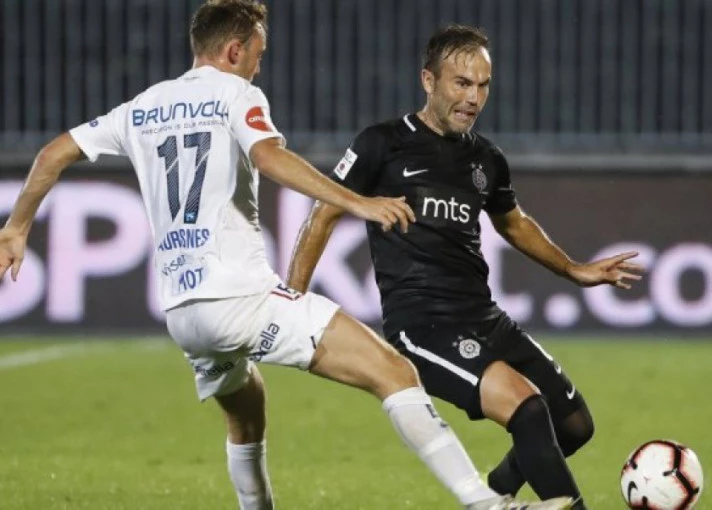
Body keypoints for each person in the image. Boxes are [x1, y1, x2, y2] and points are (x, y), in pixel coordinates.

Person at [0, 3, 574, 510]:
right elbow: (271, 157)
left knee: (246, 411)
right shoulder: (237, 94)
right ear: (234, 50)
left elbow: (53, 153)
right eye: (257, 55)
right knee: (394, 372)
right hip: (240, 296)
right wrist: (359, 202)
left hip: (182, 313)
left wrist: (18, 226)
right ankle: (483, 501)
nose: (259, 66)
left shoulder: (144, 106)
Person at [288, 24, 645, 510]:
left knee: (574, 424)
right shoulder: (382, 144)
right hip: (423, 326)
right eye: (461, 83)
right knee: (527, 408)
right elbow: (323, 214)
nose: (473, 98)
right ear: (428, 80)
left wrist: (573, 269)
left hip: (484, 316)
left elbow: (513, 222)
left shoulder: (486, 158)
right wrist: (291, 302)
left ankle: (496, 494)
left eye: (482, 85)